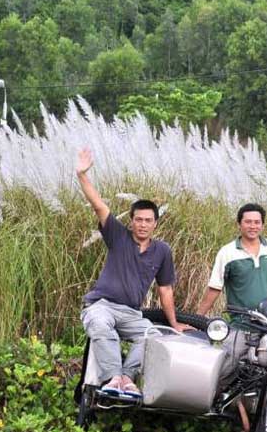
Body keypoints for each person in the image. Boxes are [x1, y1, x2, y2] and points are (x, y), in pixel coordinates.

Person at [76, 148, 189, 399]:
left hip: (131, 313)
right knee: (100, 324)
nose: (143, 224)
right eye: (138, 219)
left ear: (155, 224)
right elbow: (98, 206)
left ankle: (127, 379)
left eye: (148, 220)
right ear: (131, 221)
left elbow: (165, 289)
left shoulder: (162, 251)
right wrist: (82, 174)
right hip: (101, 306)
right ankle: (113, 378)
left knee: (152, 336)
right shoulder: (118, 236)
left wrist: (173, 323)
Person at [196, 203, 267, 388]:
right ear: (239, 224)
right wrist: (196, 318)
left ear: (262, 225)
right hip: (242, 324)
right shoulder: (227, 252)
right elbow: (214, 288)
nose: (253, 226)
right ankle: (212, 403)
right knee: (226, 366)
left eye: (257, 222)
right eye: (248, 222)